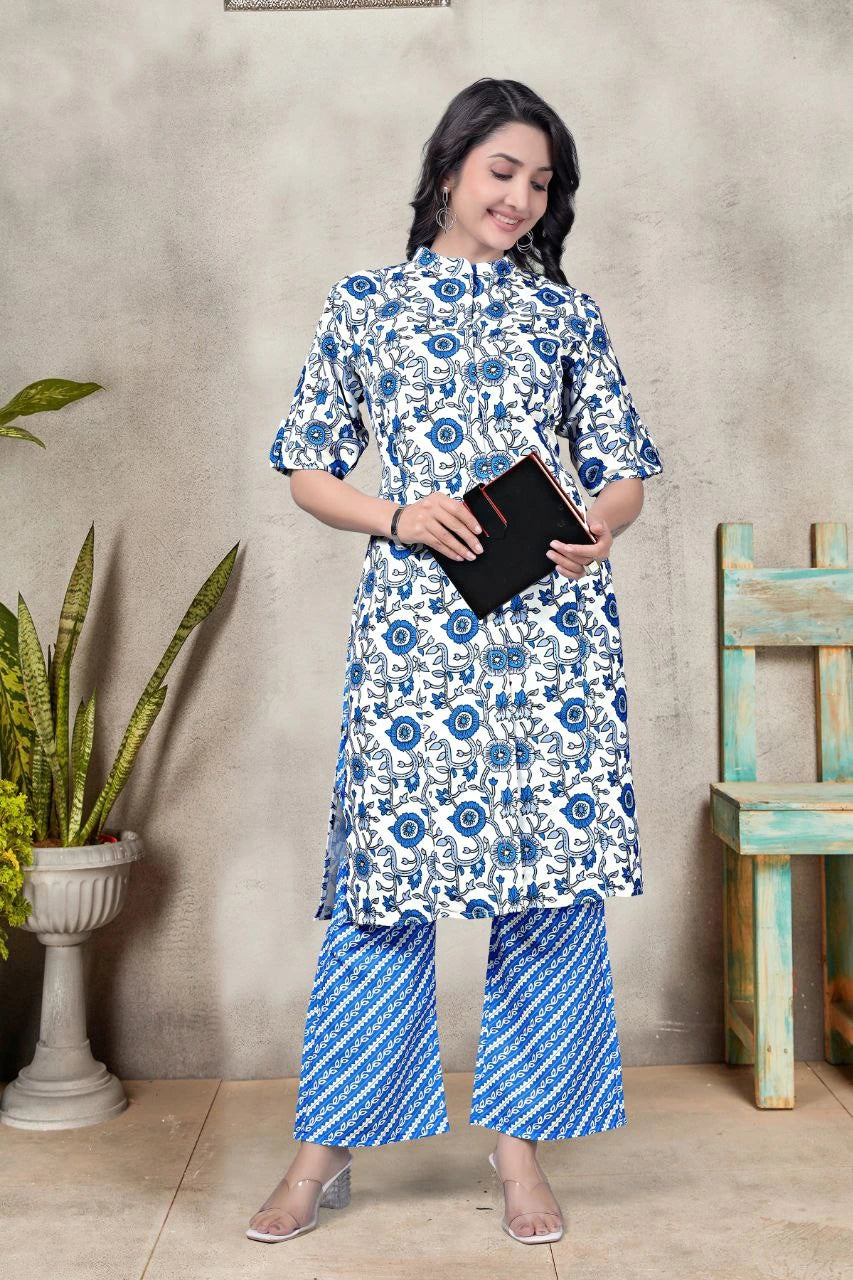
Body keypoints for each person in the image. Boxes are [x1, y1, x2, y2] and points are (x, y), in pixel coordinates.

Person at [247, 77, 664, 1247]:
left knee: (544, 894)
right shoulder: (365, 305)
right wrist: (397, 517)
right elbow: (306, 468)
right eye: (503, 172)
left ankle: (519, 1151)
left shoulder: (566, 319)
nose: (523, 198)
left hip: (553, 640)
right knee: (383, 895)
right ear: (447, 169)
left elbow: (622, 468)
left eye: (541, 183)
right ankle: (323, 1152)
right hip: (416, 636)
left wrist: (601, 530)